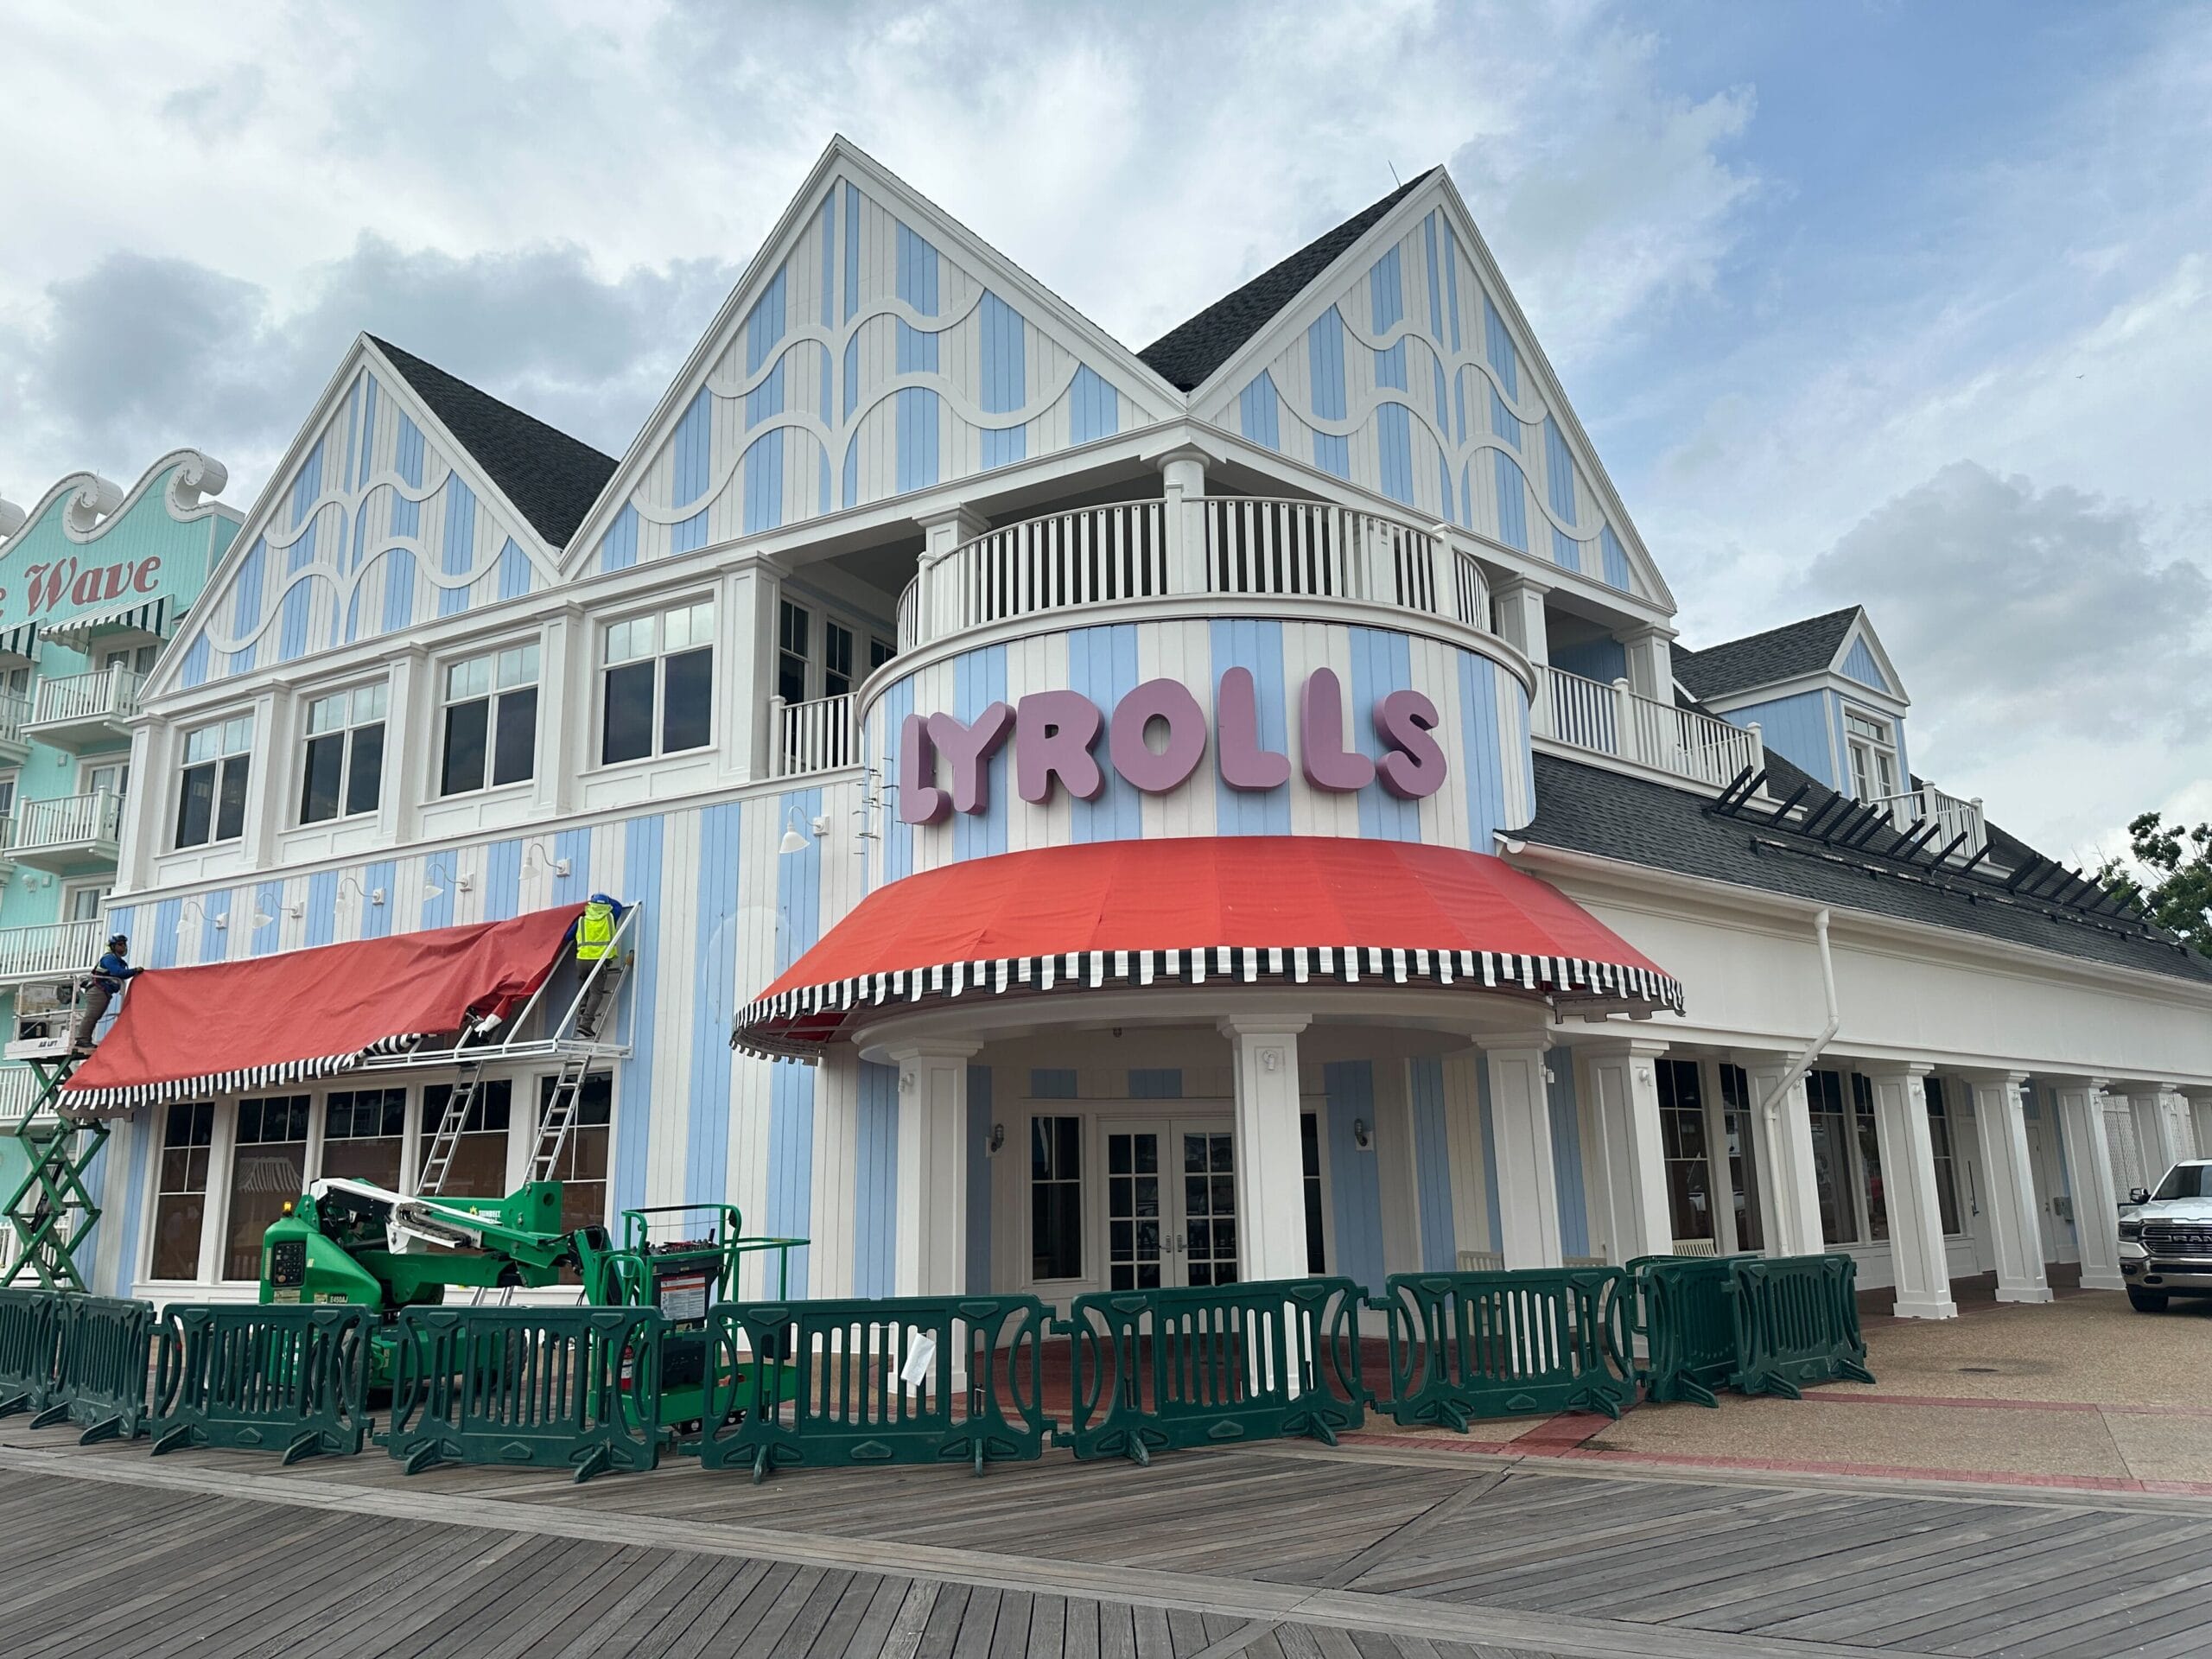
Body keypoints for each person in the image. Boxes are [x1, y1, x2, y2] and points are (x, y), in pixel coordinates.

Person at [569, 894, 626, 1042]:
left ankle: (583, 1007)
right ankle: (586, 1023)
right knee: (596, 994)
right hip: (598, 961)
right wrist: (607, 898)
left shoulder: (582, 920)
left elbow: (568, 936)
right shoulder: (610, 917)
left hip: (581, 960)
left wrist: (592, 899)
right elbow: (618, 906)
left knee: (583, 987)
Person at [73, 933, 142, 1051]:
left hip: (103, 992)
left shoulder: (117, 960)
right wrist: (135, 970)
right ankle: (82, 1040)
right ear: (113, 946)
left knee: (95, 1015)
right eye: (120, 944)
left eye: (124, 944)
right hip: (98, 990)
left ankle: (84, 1039)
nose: (123, 947)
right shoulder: (109, 958)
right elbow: (118, 973)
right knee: (92, 1015)